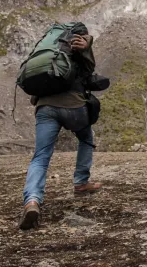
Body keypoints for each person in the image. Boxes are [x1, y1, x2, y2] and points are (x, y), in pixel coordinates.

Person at [19, 33, 101, 230]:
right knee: (86, 137)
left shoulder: (44, 52)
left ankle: (32, 200)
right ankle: (81, 181)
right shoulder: (76, 48)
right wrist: (86, 49)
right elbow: (89, 72)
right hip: (74, 106)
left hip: (45, 108)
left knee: (40, 156)